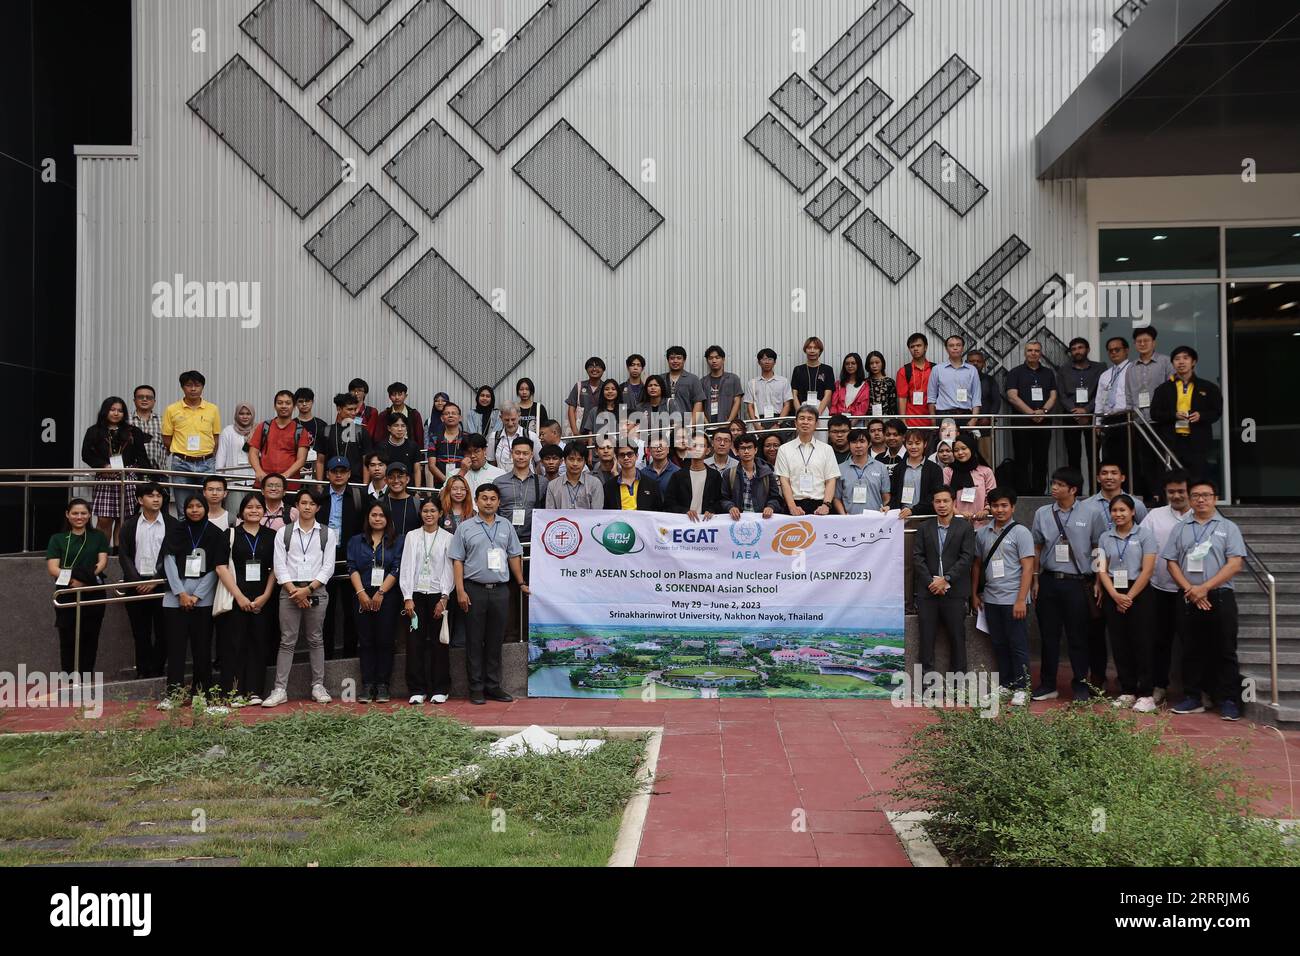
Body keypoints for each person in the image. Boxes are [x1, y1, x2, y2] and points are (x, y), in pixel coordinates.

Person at [1163, 478, 1247, 720]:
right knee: (1190, 649)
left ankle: (1228, 699)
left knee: (1225, 649)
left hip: (1220, 596)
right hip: (1188, 596)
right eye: (1196, 495)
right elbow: (1171, 562)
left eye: (1206, 495)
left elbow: (1235, 564)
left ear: (1215, 498)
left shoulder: (1228, 527)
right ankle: (1192, 696)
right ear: (1190, 500)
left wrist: (1205, 588)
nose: (1201, 499)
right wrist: (1191, 589)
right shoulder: (1180, 528)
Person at [1030, 467, 1108, 702]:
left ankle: (1081, 685)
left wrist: (1098, 580)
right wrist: (1035, 578)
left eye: (1060, 484)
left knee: (1078, 636)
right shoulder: (1042, 513)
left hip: (1078, 582)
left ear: (1073, 489)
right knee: (1049, 636)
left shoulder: (1092, 512)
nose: (1054, 487)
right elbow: (1036, 547)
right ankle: (1047, 684)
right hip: (1049, 580)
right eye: (1053, 483)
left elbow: (1098, 547)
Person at [451, 484, 528, 704]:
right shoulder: (465, 528)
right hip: (473, 589)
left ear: (499, 502)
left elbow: (514, 556)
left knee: (496, 640)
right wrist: (460, 591)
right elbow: (457, 560)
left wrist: (521, 582)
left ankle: (493, 686)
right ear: (476, 500)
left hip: (500, 590)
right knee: (474, 641)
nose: (488, 502)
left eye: (493, 498)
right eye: (484, 498)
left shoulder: (506, 526)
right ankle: (475, 687)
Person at [264, 488, 336, 707]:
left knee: (315, 639)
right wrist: (294, 591)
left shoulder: (327, 533)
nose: (307, 507)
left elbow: (328, 567)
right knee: (287, 641)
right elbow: (279, 565)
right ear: (296, 506)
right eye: (303, 503)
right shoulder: (284, 533)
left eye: (311, 503)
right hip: (289, 592)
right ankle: (280, 689)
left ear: (318, 508)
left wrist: (308, 590)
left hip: (316, 591)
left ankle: (318, 685)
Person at [157, 493, 229, 708]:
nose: (195, 510)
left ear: (206, 508)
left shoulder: (216, 533)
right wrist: (180, 593)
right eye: (190, 506)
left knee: (202, 649)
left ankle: (202, 694)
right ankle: (174, 695)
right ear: (184, 509)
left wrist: (197, 595)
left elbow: (217, 567)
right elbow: (168, 561)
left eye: (199, 506)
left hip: (203, 601)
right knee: (176, 649)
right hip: (174, 599)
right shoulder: (175, 531)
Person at [970, 489, 1035, 703]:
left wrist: (1020, 599)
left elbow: (1028, 568)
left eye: (1004, 505)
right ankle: (1006, 685)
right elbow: (977, 565)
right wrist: (975, 594)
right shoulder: (982, 533)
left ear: (1013, 507)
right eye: (995, 506)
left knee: (1018, 644)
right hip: (991, 599)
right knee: (999, 644)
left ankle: (1022, 688)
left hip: (1013, 600)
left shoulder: (1021, 532)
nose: (1000, 510)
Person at [1096, 494, 1159, 712]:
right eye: (1114, 511)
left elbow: (1148, 569)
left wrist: (1129, 596)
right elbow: (1101, 569)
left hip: (1139, 592)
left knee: (1142, 643)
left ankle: (1146, 694)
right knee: (1119, 642)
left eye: (1123, 510)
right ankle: (1127, 690)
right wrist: (1114, 594)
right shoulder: (1105, 537)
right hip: (1114, 591)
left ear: (1133, 512)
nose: (1118, 514)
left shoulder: (1145, 535)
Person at [213, 492, 276, 705]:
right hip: (235, 597)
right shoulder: (229, 534)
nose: (254, 511)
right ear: (241, 512)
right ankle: (234, 691)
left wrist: (266, 595)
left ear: (264, 511)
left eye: (258, 507)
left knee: (258, 644)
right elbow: (221, 567)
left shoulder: (271, 536)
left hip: (262, 598)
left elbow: (276, 569)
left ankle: (255, 691)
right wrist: (239, 596)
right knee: (234, 645)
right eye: (249, 507)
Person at [912, 487, 976, 684]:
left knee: (957, 639)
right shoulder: (924, 527)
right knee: (926, 640)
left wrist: (946, 578)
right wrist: (932, 581)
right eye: (937, 501)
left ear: (953, 503)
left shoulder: (964, 527)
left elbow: (967, 558)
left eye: (945, 501)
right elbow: (917, 557)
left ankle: (957, 685)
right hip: (928, 592)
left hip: (954, 592)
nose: (941, 505)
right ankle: (927, 685)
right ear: (933, 503)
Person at [1144, 470, 1193, 706]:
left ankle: (1195, 691)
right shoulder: (1155, 516)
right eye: (1171, 492)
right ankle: (1159, 687)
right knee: (1160, 641)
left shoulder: (1201, 514)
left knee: (1192, 642)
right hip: (1160, 588)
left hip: (1193, 592)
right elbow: (1141, 544)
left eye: (1181, 491)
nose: (1176, 495)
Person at [118, 481, 175, 678]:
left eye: (159, 495)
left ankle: (158, 669)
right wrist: (136, 581)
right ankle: (143, 671)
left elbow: (173, 556)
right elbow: (124, 555)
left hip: (163, 584)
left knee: (164, 632)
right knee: (139, 632)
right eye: (151, 495)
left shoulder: (172, 524)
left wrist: (156, 579)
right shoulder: (129, 524)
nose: (156, 499)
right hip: (136, 584)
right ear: (140, 500)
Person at [46, 498, 110, 675]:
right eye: (75, 513)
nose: (79, 517)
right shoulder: (57, 539)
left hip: (93, 591)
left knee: (91, 636)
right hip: (66, 592)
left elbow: (102, 563)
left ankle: (86, 677)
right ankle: (69, 678)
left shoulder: (98, 536)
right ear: (67, 515)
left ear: (90, 515)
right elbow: (53, 568)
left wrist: (84, 581)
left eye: (83, 513)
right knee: (67, 638)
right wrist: (72, 581)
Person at [400, 497, 454, 705]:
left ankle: (441, 688)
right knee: (415, 643)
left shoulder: (448, 538)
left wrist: (444, 597)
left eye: (433, 511)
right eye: (425, 511)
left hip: (437, 596)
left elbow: (449, 570)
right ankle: (417, 688)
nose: (428, 514)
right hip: (415, 596)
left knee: (440, 643)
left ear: (440, 513)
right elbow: (406, 567)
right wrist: (407, 597)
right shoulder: (412, 536)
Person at [347, 501, 401, 703]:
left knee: (385, 640)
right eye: (373, 515)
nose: (377, 519)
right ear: (368, 518)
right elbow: (352, 567)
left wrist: (380, 592)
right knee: (366, 641)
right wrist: (361, 593)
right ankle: (367, 685)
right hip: (361, 594)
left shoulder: (397, 541)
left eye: (381, 515)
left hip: (387, 595)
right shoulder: (355, 541)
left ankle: (383, 684)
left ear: (387, 519)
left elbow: (397, 567)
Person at [495, 436, 547, 643]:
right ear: (511, 454)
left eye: (526, 453)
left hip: (531, 544)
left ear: (531, 455)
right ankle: (509, 633)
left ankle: (527, 632)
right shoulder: (499, 482)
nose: (521, 457)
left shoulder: (541, 482)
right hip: (505, 543)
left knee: (528, 589)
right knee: (506, 590)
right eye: (517, 452)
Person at [1150, 345, 1223, 486]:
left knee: (1198, 478)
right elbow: (1155, 413)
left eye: (1185, 358)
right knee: (1174, 480)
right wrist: (1174, 415)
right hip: (1172, 441)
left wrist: (1201, 415)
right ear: (1172, 363)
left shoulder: (1208, 387)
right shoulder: (1163, 389)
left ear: (1193, 362)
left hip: (1197, 440)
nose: (1181, 362)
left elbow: (1216, 412)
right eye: (1177, 359)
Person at [81, 396, 150, 543]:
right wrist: (103, 466)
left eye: (120, 410)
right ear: (105, 411)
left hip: (128, 478)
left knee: (124, 520)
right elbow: (86, 455)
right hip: (105, 477)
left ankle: (119, 554)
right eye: (112, 410)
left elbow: (142, 457)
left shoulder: (133, 431)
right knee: (104, 519)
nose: (116, 413)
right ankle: (102, 552)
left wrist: (144, 479)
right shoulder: (94, 431)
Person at [318, 457, 365, 660]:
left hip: (350, 558)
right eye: (334, 471)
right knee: (325, 610)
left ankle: (349, 654)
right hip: (323, 558)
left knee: (351, 609)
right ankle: (326, 655)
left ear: (348, 474)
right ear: (327, 474)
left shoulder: (357, 496)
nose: (338, 475)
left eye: (342, 471)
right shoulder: (319, 497)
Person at [162, 370, 221, 516]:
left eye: (197, 385)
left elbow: (216, 437)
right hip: (181, 463)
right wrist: (182, 453)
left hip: (206, 462)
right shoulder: (172, 409)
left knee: (208, 508)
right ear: (182, 387)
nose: (193, 389)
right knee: (183, 509)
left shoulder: (212, 409)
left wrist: (206, 456)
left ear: (202, 387)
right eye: (189, 385)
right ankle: (186, 538)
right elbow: (167, 439)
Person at [1004, 341, 1057, 496]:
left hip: (1043, 421)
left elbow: (1053, 395)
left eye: (1036, 350)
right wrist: (1031, 413)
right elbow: (1012, 396)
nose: (1033, 353)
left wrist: (1043, 411)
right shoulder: (1015, 372)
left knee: (1041, 458)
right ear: (1025, 352)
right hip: (1022, 422)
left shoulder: (1048, 373)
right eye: (1030, 350)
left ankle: (1039, 492)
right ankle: (1023, 492)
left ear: (1040, 353)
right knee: (1022, 458)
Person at [1127, 326, 1174, 499]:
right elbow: (1129, 395)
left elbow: (1173, 389)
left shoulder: (1165, 362)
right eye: (1139, 341)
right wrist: (1132, 416)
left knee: (1163, 459)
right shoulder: (1131, 368)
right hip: (1140, 421)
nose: (1142, 344)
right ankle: (1153, 494)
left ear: (1154, 342)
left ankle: (1165, 495)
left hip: (1161, 421)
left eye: (1146, 340)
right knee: (1145, 461)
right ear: (1134, 344)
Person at [1057, 338, 1104, 491]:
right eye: (1074, 349)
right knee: (1073, 456)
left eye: (1080, 348)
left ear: (1087, 349)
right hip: (1070, 417)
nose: (1077, 351)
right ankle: (1075, 492)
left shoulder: (1099, 368)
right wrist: (1075, 412)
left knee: (1094, 457)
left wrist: (1086, 410)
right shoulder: (1064, 370)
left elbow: (1102, 393)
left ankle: (1096, 491)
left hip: (1092, 416)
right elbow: (1062, 395)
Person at [775, 406, 839, 516]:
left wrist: (826, 505)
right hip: (794, 506)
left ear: (816, 424)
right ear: (795, 423)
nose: (805, 422)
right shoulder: (784, 449)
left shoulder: (826, 449)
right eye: (802, 418)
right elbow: (784, 480)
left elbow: (831, 480)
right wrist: (792, 506)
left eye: (810, 419)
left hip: (821, 507)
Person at [249, 390, 311, 486]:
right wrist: (258, 471)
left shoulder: (301, 431)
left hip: (289, 484)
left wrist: (285, 475)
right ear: (274, 406)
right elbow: (253, 452)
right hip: (263, 482)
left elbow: (301, 459)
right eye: (280, 403)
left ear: (294, 407)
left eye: (288, 403)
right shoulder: (263, 427)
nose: (283, 406)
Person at [721, 433, 785, 518]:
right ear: (737, 451)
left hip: (762, 519)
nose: (746, 451)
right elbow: (723, 498)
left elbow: (775, 497)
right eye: (743, 448)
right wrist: (730, 507)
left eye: (750, 447)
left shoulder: (767, 473)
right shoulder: (729, 474)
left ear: (755, 450)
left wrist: (770, 506)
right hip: (738, 519)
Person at [1093, 337, 1133, 470]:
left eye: (1117, 349)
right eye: (1110, 351)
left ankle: (1127, 488)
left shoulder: (1133, 369)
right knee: (1109, 457)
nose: (1114, 353)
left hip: (1126, 418)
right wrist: (1097, 423)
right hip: (1108, 420)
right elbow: (1099, 400)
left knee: (1127, 457)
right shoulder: (1105, 375)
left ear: (1126, 350)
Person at [927, 334, 981, 430]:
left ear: (963, 348)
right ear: (946, 349)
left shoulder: (972, 370)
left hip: (965, 415)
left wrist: (974, 419)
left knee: (964, 444)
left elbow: (976, 397)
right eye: (951, 346)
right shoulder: (937, 369)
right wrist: (933, 419)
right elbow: (931, 397)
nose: (955, 348)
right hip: (944, 415)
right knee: (945, 445)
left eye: (958, 345)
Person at [314, 393, 372, 480]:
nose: (354, 413)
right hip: (330, 482)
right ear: (339, 409)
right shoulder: (326, 431)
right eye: (349, 409)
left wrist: (364, 486)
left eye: (355, 409)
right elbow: (320, 461)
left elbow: (366, 462)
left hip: (354, 483)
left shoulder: (362, 432)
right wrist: (319, 485)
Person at [666, 432, 722, 520]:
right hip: (684, 523)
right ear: (688, 449)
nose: (698, 449)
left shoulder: (715, 476)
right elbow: (669, 503)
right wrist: (685, 511)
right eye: (694, 445)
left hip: (707, 523)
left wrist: (711, 510)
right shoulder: (678, 476)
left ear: (708, 450)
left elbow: (719, 501)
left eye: (702, 446)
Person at [835, 429, 891, 514]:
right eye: (854, 442)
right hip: (850, 520)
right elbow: (836, 498)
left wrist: (884, 512)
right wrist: (844, 516)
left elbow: (886, 497)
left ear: (869, 444)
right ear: (849, 444)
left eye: (862, 441)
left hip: (875, 519)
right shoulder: (840, 468)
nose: (858, 445)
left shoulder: (881, 467)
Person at [890, 430, 944, 519]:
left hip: (927, 518)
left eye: (917, 443)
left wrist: (913, 510)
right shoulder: (898, 469)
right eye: (910, 443)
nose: (913, 447)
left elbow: (934, 496)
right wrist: (890, 507)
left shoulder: (934, 469)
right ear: (905, 445)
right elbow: (894, 495)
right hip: (901, 518)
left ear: (925, 444)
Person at [944, 434, 996, 527]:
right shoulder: (948, 471)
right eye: (956, 450)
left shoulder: (985, 471)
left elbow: (993, 495)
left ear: (971, 448)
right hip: (955, 523)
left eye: (964, 448)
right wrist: (958, 513)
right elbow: (945, 495)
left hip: (981, 524)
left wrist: (986, 510)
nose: (960, 452)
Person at [215, 402, 257, 510]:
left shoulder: (258, 430)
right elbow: (221, 457)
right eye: (241, 413)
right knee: (234, 516)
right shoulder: (228, 431)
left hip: (254, 481)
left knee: (253, 514)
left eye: (248, 414)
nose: (245, 416)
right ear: (236, 415)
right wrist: (220, 483)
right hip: (234, 482)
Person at [1086, 460, 1149, 530]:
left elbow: (1144, 532)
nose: (1109, 477)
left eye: (1114, 473)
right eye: (1104, 473)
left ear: (1122, 478)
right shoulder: (1086, 505)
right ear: (1098, 478)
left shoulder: (1136, 504)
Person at [965, 350, 1001, 468]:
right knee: (964, 456)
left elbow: (996, 401)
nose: (975, 364)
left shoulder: (989, 380)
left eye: (978, 361)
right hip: (965, 424)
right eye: (972, 361)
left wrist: (988, 418)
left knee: (986, 458)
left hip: (984, 425)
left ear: (984, 364)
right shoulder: (961, 379)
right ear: (966, 363)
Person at [605, 441, 665, 511]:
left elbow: (659, 511)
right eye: (622, 455)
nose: (626, 458)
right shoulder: (609, 486)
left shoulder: (651, 484)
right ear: (617, 458)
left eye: (630, 454)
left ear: (637, 456)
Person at [745, 349, 794, 427]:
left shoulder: (783, 381)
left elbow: (787, 405)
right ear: (759, 362)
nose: (767, 362)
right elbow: (750, 406)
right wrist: (756, 425)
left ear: (774, 362)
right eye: (764, 359)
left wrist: (778, 423)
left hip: (778, 418)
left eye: (770, 359)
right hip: (759, 419)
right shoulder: (752, 383)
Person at [548, 443, 606, 508]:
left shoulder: (595, 484)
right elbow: (550, 514)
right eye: (571, 459)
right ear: (564, 460)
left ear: (584, 462)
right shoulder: (552, 485)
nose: (575, 464)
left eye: (579, 460)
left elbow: (597, 514)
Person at [129, 384, 167, 482]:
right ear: (134, 400)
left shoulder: (164, 421)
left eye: (149, 397)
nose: (144, 399)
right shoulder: (125, 421)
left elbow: (169, 445)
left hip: (158, 473)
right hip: (132, 473)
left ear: (154, 401)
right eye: (140, 397)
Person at [896, 333, 934, 427]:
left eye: (919, 345)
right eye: (912, 346)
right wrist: (903, 420)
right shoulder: (904, 371)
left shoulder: (935, 369)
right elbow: (902, 398)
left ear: (925, 347)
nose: (915, 349)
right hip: (911, 422)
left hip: (933, 420)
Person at [790, 336, 835, 414]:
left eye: (815, 348)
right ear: (805, 350)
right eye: (809, 348)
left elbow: (828, 394)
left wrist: (818, 414)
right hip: (802, 408)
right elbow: (794, 394)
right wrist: (799, 413)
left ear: (820, 351)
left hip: (822, 409)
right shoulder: (798, 369)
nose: (812, 350)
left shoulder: (827, 369)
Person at [700, 345, 744, 425]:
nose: (714, 361)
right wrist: (706, 424)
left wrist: (729, 422)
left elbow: (737, 401)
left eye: (717, 357)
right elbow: (700, 405)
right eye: (710, 358)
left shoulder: (733, 378)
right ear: (707, 361)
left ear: (723, 359)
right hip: (708, 423)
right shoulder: (702, 382)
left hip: (728, 423)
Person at [376, 413, 425, 485]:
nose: (400, 429)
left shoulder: (413, 446)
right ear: (389, 428)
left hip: (408, 487)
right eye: (396, 425)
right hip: (387, 487)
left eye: (403, 426)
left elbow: (417, 470)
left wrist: (417, 491)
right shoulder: (381, 447)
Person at [375, 382, 425, 449]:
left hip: (409, 451)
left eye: (400, 394)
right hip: (388, 451)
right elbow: (378, 438)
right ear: (389, 397)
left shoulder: (414, 414)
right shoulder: (384, 415)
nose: (397, 397)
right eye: (394, 395)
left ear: (405, 396)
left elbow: (419, 438)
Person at [455, 433, 506, 499]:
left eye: (476, 451)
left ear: (484, 450)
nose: (472, 456)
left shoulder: (499, 474)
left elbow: (505, 500)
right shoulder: (454, 473)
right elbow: (443, 495)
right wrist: (462, 472)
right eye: (468, 452)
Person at [662, 346, 705, 424]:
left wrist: (691, 425)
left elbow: (698, 403)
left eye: (679, 358)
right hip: (664, 424)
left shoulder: (693, 379)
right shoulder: (661, 379)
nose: (675, 361)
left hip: (687, 423)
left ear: (684, 360)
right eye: (672, 358)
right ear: (668, 360)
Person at [566, 358, 607, 437]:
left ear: (603, 370)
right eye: (591, 366)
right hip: (581, 432)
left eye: (598, 366)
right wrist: (575, 432)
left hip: (601, 431)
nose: (594, 369)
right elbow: (571, 409)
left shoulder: (607, 387)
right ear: (587, 369)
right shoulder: (579, 386)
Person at [427, 402, 466, 485]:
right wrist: (447, 482)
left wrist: (456, 482)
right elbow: (431, 465)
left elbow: (469, 462)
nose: (450, 416)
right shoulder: (434, 438)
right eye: (447, 413)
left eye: (454, 413)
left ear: (460, 418)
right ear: (442, 418)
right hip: (440, 483)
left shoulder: (467, 438)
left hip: (463, 483)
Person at [490, 403, 539, 468]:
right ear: (501, 418)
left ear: (519, 417)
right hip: (502, 478)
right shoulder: (494, 437)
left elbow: (539, 462)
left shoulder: (531, 436)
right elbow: (492, 463)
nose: (510, 423)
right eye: (506, 420)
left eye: (513, 419)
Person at [381, 463, 422, 536]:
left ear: (407, 479)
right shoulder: (380, 503)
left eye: (400, 477)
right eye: (391, 477)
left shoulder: (417, 504)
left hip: (411, 546)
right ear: (386, 481)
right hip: (385, 546)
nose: (396, 480)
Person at [829, 352, 872, 419]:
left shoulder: (864, 385)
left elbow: (863, 407)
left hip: (857, 421)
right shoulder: (838, 384)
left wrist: (852, 423)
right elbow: (834, 405)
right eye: (847, 364)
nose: (850, 366)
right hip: (839, 421)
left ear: (858, 365)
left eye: (853, 363)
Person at [864, 351, 899, 419]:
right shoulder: (865, 383)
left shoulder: (890, 382)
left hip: (887, 419)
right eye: (871, 363)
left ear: (882, 363)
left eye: (877, 362)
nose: (874, 366)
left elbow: (893, 405)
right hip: (868, 419)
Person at [350, 378, 382, 443]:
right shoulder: (343, 410)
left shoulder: (372, 412)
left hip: (364, 448)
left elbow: (369, 434)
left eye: (359, 390)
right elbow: (337, 430)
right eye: (353, 390)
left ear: (365, 393)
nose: (356, 393)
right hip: (346, 448)